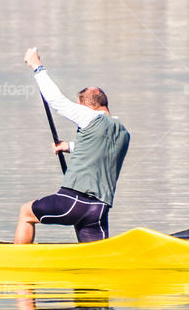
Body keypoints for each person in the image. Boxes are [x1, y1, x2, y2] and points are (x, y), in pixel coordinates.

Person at [15, 48, 130, 244]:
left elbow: (56, 101)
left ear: (86, 106)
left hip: (73, 202)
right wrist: (67, 146)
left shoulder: (88, 116)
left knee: (26, 212)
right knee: (96, 258)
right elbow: (97, 150)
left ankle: (17, 262)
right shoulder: (123, 133)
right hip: (99, 209)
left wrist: (37, 66)